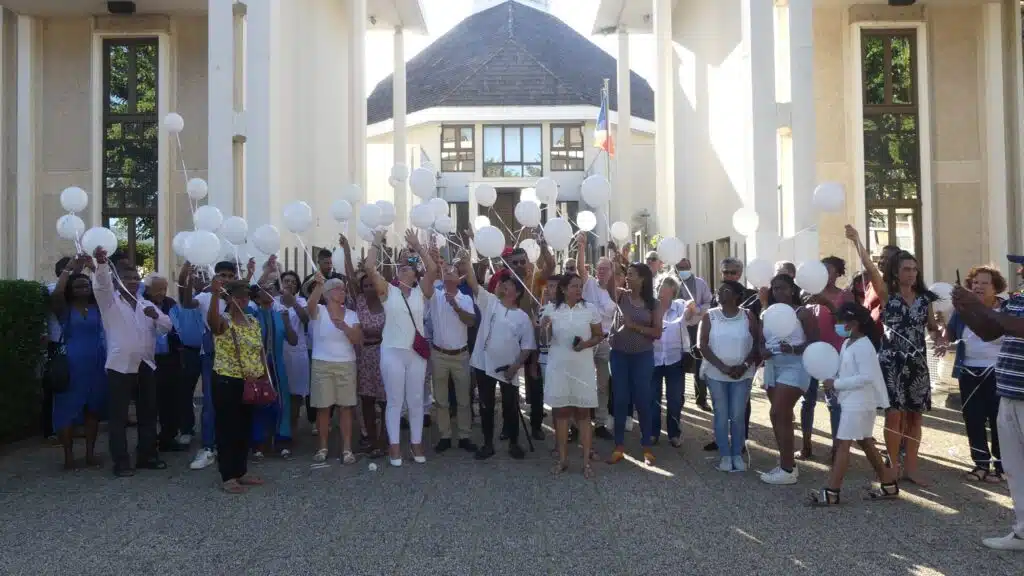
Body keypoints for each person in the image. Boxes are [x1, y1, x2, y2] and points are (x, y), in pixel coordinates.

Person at [847, 225, 945, 485]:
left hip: (917, 362)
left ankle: (911, 467)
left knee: (915, 416)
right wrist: (857, 240)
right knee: (894, 415)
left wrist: (940, 338)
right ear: (895, 272)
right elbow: (869, 267)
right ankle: (892, 466)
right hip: (892, 362)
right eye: (906, 269)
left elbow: (932, 328)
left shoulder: (925, 298)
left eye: (914, 269)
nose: (911, 273)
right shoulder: (886, 293)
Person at [953, 255, 1024, 551]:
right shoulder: (1018, 299)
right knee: (1015, 469)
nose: (1019, 270)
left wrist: (979, 305)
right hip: (1008, 392)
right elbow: (991, 331)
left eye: (1023, 265)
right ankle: (1022, 532)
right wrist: (965, 309)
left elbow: (1019, 327)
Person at [92, 248, 172, 477]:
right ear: (117, 281)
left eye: (136, 278)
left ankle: (147, 455)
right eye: (127, 278)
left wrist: (156, 316)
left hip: (146, 364)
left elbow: (167, 326)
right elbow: (101, 284)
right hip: (120, 365)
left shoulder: (145, 303)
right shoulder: (109, 302)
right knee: (118, 416)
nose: (133, 281)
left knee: (148, 412)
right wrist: (101, 264)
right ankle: (121, 461)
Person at [810, 302, 900, 506]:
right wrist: (834, 381)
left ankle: (832, 491)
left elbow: (866, 377)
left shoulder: (864, 346)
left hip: (860, 403)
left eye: (840, 321)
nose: (837, 325)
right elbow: (846, 371)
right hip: (854, 401)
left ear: (853, 323)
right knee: (865, 441)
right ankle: (888, 484)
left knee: (843, 444)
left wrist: (837, 384)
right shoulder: (848, 343)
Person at [365, 229, 437, 467]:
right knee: (395, 400)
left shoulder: (421, 292)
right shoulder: (388, 291)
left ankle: (416, 443)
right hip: (392, 352)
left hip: (416, 354)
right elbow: (369, 268)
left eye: (410, 266)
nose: (406, 268)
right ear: (397, 272)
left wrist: (418, 246)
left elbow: (433, 269)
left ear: (415, 274)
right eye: (402, 266)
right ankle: (394, 445)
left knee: (416, 400)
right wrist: (376, 241)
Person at [465, 260, 537, 460]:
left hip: (508, 369)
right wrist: (466, 262)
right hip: (483, 365)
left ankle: (514, 443)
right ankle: (487, 444)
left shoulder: (522, 317)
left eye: (510, 284)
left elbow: (527, 346)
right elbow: (473, 283)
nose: (505, 285)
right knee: (486, 406)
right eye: (504, 283)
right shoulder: (490, 302)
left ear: (518, 293)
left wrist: (515, 366)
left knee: (510, 406)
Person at [944, 265, 1007, 482]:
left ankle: (1001, 467)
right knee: (973, 418)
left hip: (998, 371)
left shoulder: (1006, 309)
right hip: (968, 369)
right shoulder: (963, 308)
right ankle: (980, 464)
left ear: (995, 287)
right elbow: (950, 332)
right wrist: (942, 340)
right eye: (975, 282)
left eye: (984, 283)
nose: (978, 286)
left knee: (999, 420)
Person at [206, 279, 266, 494]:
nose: (242, 299)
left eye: (245, 296)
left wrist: (263, 375)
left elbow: (259, 350)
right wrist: (215, 295)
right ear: (229, 299)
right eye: (238, 296)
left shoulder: (253, 321)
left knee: (244, 427)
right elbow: (213, 324)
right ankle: (228, 475)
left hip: (250, 380)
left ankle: (241, 470)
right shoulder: (225, 320)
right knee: (227, 428)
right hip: (227, 379)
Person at [759, 273, 819, 485]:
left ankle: (787, 470)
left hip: (796, 367)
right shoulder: (767, 313)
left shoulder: (802, 313)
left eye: (783, 288)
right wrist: (762, 351)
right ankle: (787, 463)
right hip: (772, 367)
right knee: (779, 417)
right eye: (775, 288)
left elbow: (815, 342)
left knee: (778, 412)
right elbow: (761, 341)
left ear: (792, 289)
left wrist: (793, 349)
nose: (779, 292)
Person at [542, 273, 602, 478]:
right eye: (574, 286)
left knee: (584, 414)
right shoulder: (551, 309)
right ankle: (563, 459)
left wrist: (585, 344)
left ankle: (586, 462)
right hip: (559, 368)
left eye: (580, 286)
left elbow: (599, 335)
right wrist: (543, 325)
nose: (578, 290)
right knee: (561, 414)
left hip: (582, 368)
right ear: (563, 289)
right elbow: (542, 339)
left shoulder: (589, 309)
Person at [49, 255, 107, 469]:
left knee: (93, 409)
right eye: (78, 286)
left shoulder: (98, 307)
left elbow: (108, 289)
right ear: (71, 290)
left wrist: (95, 268)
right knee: (67, 408)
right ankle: (68, 456)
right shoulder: (64, 309)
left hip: (96, 361)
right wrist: (68, 270)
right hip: (72, 363)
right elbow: (57, 293)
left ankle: (90, 454)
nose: (84, 289)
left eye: (86, 285)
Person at [699, 280, 758, 472]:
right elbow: (702, 345)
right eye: (719, 289)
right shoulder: (710, 316)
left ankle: (737, 454)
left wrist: (745, 365)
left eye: (725, 290)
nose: (719, 292)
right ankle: (725, 454)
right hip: (716, 374)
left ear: (736, 296)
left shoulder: (748, 316)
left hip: (742, 374)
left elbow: (758, 343)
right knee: (721, 413)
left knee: (738, 414)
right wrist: (723, 367)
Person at [608, 263, 664, 466]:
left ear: (642, 279)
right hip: (619, 355)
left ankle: (646, 446)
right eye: (627, 274)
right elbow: (609, 284)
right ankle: (619, 446)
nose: (627, 277)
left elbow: (657, 332)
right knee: (620, 399)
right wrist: (614, 262)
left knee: (642, 399)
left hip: (642, 357)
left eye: (631, 274)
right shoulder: (620, 295)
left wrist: (634, 327)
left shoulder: (654, 304)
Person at [801, 256, 855, 461]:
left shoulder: (845, 295)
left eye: (829, 270)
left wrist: (829, 306)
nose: (824, 274)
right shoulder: (807, 294)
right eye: (821, 269)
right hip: (810, 354)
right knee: (807, 401)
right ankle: (806, 446)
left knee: (835, 403)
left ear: (838, 273)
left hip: (835, 355)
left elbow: (848, 328)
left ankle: (837, 450)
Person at [307, 274, 363, 464]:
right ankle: (322, 447)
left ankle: (347, 448)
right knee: (323, 408)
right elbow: (309, 306)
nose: (343, 291)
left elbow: (357, 339)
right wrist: (318, 285)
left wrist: (344, 327)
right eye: (338, 288)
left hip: (346, 363)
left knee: (346, 407)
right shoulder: (320, 310)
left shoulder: (352, 314)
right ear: (328, 293)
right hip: (321, 363)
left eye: (344, 289)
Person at [189, 260, 239, 471]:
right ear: (215, 276)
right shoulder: (205, 297)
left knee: (234, 403)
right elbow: (187, 302)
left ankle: (230, 446)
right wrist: (186, 279)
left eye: (230, 276)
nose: (226, 279)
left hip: (235, 357)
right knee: (210, 402)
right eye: (222, 275)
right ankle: (208, 447)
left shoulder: (240, 299)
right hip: (211, 355)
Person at [341, 236, 388, 458]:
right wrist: (347, 252)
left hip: (384, 354)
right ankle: (371, 439)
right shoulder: (358, 300)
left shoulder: (386, 301)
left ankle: (385, 439)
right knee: (367, 400)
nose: (369, 287)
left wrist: (380, 247)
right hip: (364, 356)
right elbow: (350, 277)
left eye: (372, 284)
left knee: (386, 401)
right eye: (365, 285)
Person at [428, 259, 478, 454]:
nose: (449, 273)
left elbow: (471, 322)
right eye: (446, 271)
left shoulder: (465, 299)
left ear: (459, 279)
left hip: (460, 355)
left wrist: (456, 306)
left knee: (464, 399)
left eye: (453, 272)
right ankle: (445, 436)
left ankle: (464, 436)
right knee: (441, 400)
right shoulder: (435, 295)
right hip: (439, 354)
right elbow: (427, 280)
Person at [248, 284, 297, 459]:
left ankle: (282, 440)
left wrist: (287, 323)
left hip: (278, 365)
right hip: (258, 366)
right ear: (257, 294)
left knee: (282, 400)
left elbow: (293, 341)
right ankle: (259, 443)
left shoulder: (281, 314)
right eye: (264, 289)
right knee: (258, 400)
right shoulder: (252, 315)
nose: (268, 293)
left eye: (270, 290)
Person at [576, 233, 616, 439]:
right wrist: (582, 247)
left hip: (605, 342)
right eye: (599, 268)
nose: (601, 271)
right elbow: (580, 268)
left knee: (603, 384)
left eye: (605, 269)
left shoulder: (615, 293)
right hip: (588, 340)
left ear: (611, 272)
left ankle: (600, 422)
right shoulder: (589, 283)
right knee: (583, 381)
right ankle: (579, 423)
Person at [144, 273, 189, 453]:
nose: (162, 293)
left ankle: (168, 437)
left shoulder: (170, 304)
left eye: (164, 288)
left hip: (170, 357)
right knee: (150, 401)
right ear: (148, 289)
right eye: (158, 289)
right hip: (149, 357)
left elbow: (178, 326)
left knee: (171, 399)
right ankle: (148, 441)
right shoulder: (141, 303)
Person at [650, 275, 693, 447]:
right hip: (653, 358)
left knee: (675, 398)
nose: (661, 288)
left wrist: (692, 308)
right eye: (659, 285)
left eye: (665, 286)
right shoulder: (651, 307)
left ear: (673, 291)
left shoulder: (680, 306)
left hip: (675, 359)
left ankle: (674, 434)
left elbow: (692, 314)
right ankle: (653, 433)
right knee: (653, 398)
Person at [172, 262, 208, 448]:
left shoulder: (212, 299)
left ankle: (210, 429)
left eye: (204, 276)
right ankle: (186, 428)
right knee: (185, 391)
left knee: (210, 392)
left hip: (209, 351)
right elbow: (181, 286)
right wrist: (186, 269)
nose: (201, 279)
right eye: (198, 275)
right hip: (190, 351)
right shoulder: (187, 297)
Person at [276, 270, 310, 441]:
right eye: (286, 281)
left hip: (297, 354)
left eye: (293, 282)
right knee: (280, 393)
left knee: (295, 394)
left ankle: (292, 429)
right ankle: (279, 430)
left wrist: (293, 303)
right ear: (280, 283)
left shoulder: (302, 301)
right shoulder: (274, 301)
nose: (289, 284)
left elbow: (306, 319)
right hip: (278, 352)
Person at [677, 258, 714, 411]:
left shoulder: (700, 283)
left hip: (698, 327)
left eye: (685, 267)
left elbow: (709, 302)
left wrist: (697, 309)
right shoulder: (673, 284)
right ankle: (678, 399)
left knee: (699, 362)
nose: (683, 270)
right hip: (679, 328)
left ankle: (701, 399)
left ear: (690, 267)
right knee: (679, 363)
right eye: (680, 268)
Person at [43, 256, 74, 440]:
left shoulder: (80, 292)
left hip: (74, 344)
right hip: (57, 343)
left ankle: (70, 425)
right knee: (55, 385)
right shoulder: (50, 289)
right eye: (70, 271)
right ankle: (52, 429)